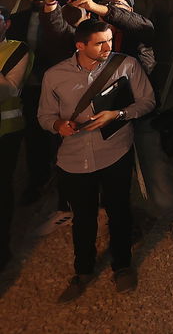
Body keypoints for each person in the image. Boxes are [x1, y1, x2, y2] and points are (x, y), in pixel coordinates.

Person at [65, 0, 173, 250]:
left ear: (130, 9)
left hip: (138, 112)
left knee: (153, 165)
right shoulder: (92, 38)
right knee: (111, 173)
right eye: (106, 4)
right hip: (103, 117)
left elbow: (140, 26)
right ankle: (124, 222)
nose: (110, 10)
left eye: (118, 5)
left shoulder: (140, 32)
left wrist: (100, 8)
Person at [37, 17, 156, 300]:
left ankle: (122, 265)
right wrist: (58, 126)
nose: (108, 47)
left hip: (115, 150)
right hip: (74, 158)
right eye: (100, 43)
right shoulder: (55, 75)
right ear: (80, 45)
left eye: (110, 40)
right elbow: (44, 115)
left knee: (119, 210)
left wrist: (118, 115)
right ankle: (83, 270)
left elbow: (147, 101)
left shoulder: (126, 65)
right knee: (83, 217)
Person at [0, 6, 31, 271]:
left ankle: (2, 249)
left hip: (5, 132)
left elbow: (8, 90)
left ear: (7, 24)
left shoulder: (17, 50)